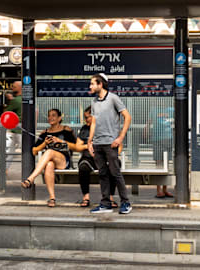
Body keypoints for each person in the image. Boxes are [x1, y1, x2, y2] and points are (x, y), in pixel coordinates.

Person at [87, 73, 133, 215]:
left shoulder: (113, 98)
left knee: (115, 173)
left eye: (92, 83)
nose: (90, 86)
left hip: (111, 143)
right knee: (102, 174)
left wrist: (120, 137)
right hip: (98, 144)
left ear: (100, 84)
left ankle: (125, 202)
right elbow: (93, 122)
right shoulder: (94, 102)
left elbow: (127, 116)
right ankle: (105, 203)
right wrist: (90, 141)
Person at [21, 108, 76, 207]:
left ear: (59, 118)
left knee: (49, 151)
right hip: (51, 161)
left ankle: (31, 178)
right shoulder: (45, 133)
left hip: (63, 161)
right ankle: (52, 198)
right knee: (49, 164)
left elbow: (76, 147)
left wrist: (60, 141)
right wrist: (45, 143)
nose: (50, 118)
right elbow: (34, 151)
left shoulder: (66, 130)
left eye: (53, 115)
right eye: (49, 115)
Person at [73, 106, 119, 208]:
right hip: (89, 158)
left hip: (105, 157)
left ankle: (110, 197)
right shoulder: (85, 129)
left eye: (87, 117)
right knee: (83, 167)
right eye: (85, 117)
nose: (86, 120)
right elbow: (77, 146)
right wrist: (88, 145)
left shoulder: (108, 127)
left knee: (114, 164)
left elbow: (118, 146)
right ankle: (86, 197)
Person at [143, 107, 174, 198]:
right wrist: (146, 130)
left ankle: (165, 189)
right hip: (157, 140)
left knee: (166, 164)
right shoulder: (154, 110)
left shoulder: (171, 110)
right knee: (158, 164)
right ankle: (158, 190)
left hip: (168, 139)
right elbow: (149, 122)